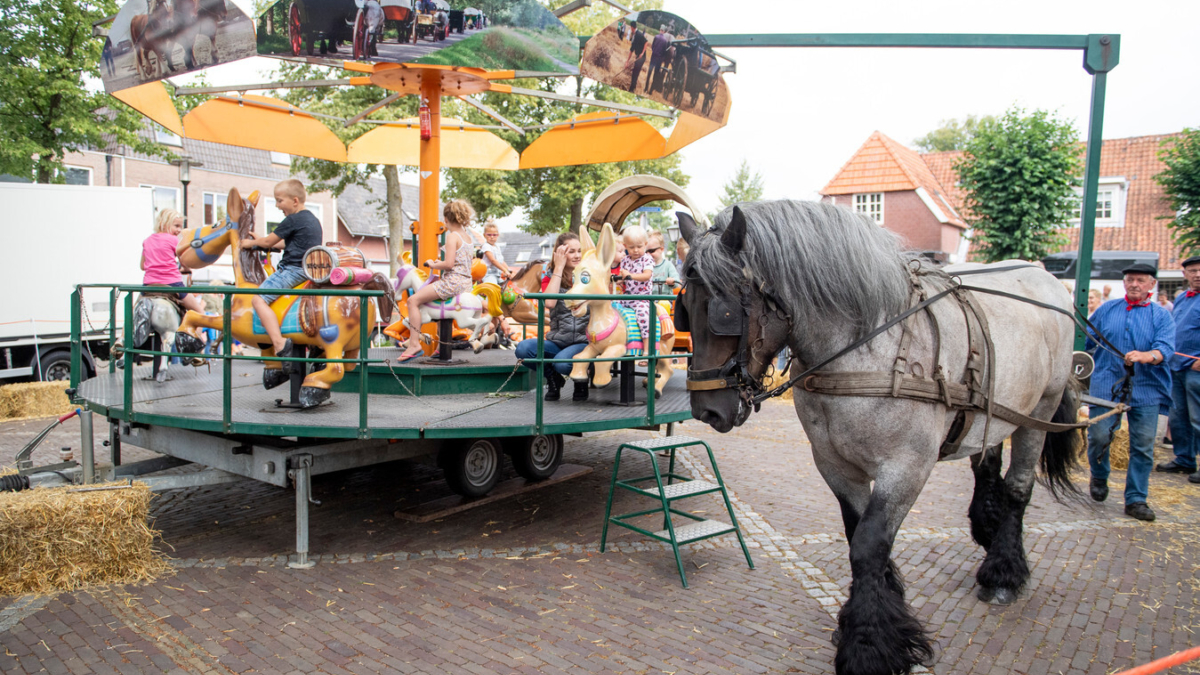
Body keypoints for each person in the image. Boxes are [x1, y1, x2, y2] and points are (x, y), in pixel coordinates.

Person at [1085, 263, 1175, 521]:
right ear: (1124, 283)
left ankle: (1136, 499)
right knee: (1099, 436)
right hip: (1105, 384)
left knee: (1143, 446)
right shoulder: (1106, 310)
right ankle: (1099, 475)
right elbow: (1086, 339)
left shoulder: (1161, 316)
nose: (1134, 284)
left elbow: (1166, 348)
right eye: (1130, 280)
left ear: (1151, 285)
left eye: (1140, 280)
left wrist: (1149, 356)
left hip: (1147, 388)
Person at [239, 179, 322, 373]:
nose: (277, 206)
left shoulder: (293, 219)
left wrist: (249, 244)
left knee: (259, 300)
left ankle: (280, 344)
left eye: (279, 201)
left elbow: (269, 241)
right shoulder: (312, 219)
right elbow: (286, 244)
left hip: (293, 269)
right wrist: (262, 241)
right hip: (309, 269)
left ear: (294, 201)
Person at [513, 232, 590, 401]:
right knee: (523, 350)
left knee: (562, 363)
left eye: (579, 251)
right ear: (560, 253)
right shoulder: (550, 275)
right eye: (571, 251)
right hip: (559, 339)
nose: (577, 255)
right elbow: (550, 302)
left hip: (583, 341)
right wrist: (559, 267)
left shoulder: (588, 275)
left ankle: (581, 379)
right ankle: (553, 377)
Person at [399, 199, 477, 362]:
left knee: (413, 300)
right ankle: (442, 347)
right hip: (465, 283)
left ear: (446, 220)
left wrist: (434, 264)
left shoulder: (452, 237)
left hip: (452, 282)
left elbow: (448, 264)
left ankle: (414, 344)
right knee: (441, 307)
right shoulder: (468, 238)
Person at [1161, 255, 1200, 484]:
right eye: (1193, 270)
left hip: (1196, 368)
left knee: (1199, 419)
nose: (1197, 274)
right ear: (1185, 274)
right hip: (1176, 367)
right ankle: (1184, 458)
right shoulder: (1183, 297)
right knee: (1178, 417)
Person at [142, 208, 205, 314]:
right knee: (199, 311)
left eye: (180, 226)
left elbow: (142, 266)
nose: (179, 230)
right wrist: (185, 268)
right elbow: (184, 261)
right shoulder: (174, 240)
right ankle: (197, 331)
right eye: (176, 226)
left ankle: (125, 331)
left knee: (131, 315)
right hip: (172, 284)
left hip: (148, 285)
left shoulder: (147, 241)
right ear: (164, 224)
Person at [616, 225, 654, 347]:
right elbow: (622, 276)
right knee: (611, 307)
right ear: (625, 246)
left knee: (643, 316)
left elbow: (647, 275)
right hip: (627, 297)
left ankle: (647, 346)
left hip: (642, 298)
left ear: (646, 244)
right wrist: (618, 280)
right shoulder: (625, 260)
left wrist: (630, 276)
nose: (636, 250)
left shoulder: (647, 259)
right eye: (632, 247)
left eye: (639, 246)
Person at [479, 218, 511, 285]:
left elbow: (501, 261)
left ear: (498, 235)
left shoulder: (497, 247)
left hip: (497, 275)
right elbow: (493, 260)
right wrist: (504, 270)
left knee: (507, 287)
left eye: (494, 235)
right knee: (493, 289)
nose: (492, 237)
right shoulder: (486, 246)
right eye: (489, 235)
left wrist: (509, 270)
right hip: (488, 275)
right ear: (484, 235)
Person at [647, 230, 678, 294]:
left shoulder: (668, 265)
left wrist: (672, 281)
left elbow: (677, 282)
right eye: (646, 252)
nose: (648, 254)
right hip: (648, 301)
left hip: (664, 301)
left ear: (661, 249)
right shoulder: (644, 266)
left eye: (651, 251)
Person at [624, 21, 649, 93]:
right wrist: (627, 61)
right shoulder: (635, 35)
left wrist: (642, 53)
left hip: (641, 57)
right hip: (638, 56)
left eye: (630, 27)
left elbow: (646, 42)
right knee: (635, 72)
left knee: (635, 72)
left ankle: (631, 89)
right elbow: (632, 49)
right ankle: (633, 87)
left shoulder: (639, 34)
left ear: (632, 27)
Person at [647, 26, 672, 95]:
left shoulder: (656, 37)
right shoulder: (665, 41)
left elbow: (652, 46)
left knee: (649, 73)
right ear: (664, 31)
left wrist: (654, 51)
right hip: (659, 60)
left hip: (653, 57)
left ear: (660, 30)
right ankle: (651, 91)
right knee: (655, 75)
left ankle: (646, 88)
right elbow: (664, 51)